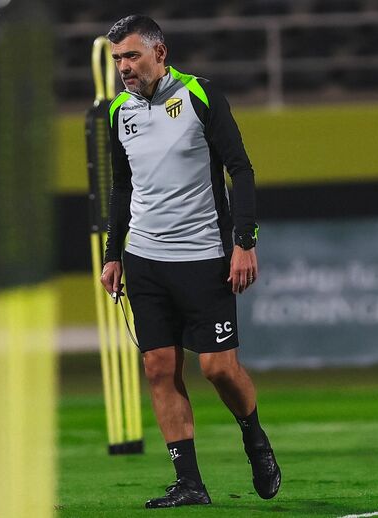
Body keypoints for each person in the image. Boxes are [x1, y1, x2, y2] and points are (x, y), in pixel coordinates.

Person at [100, 14, 281, 509]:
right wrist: (113, 254)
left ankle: (254, 439)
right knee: (159, 368)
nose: (124, 67)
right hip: (146, 260)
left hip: (204, 256)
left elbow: (240, 170)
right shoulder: (119, 113)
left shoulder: (201, 97)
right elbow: (122, 188)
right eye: (118, 59)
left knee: (219, 370)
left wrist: (244, 241)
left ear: (160, 52)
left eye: (132, 55)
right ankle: (189, 482)